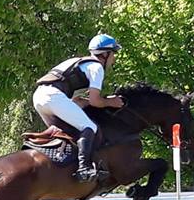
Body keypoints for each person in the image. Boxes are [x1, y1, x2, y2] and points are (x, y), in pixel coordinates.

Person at [32, 34, 125, 182]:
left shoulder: (77, 61)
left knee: (66, 132)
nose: (114, 59)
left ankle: (62, 162)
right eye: (113, 54)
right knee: (89, 127)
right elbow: (96, 101)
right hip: (53, 97)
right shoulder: (97, 68)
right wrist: (110, 102)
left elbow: (77, 99)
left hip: (39, 97)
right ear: (105, 54)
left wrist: (83, 101)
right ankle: (83, 169)